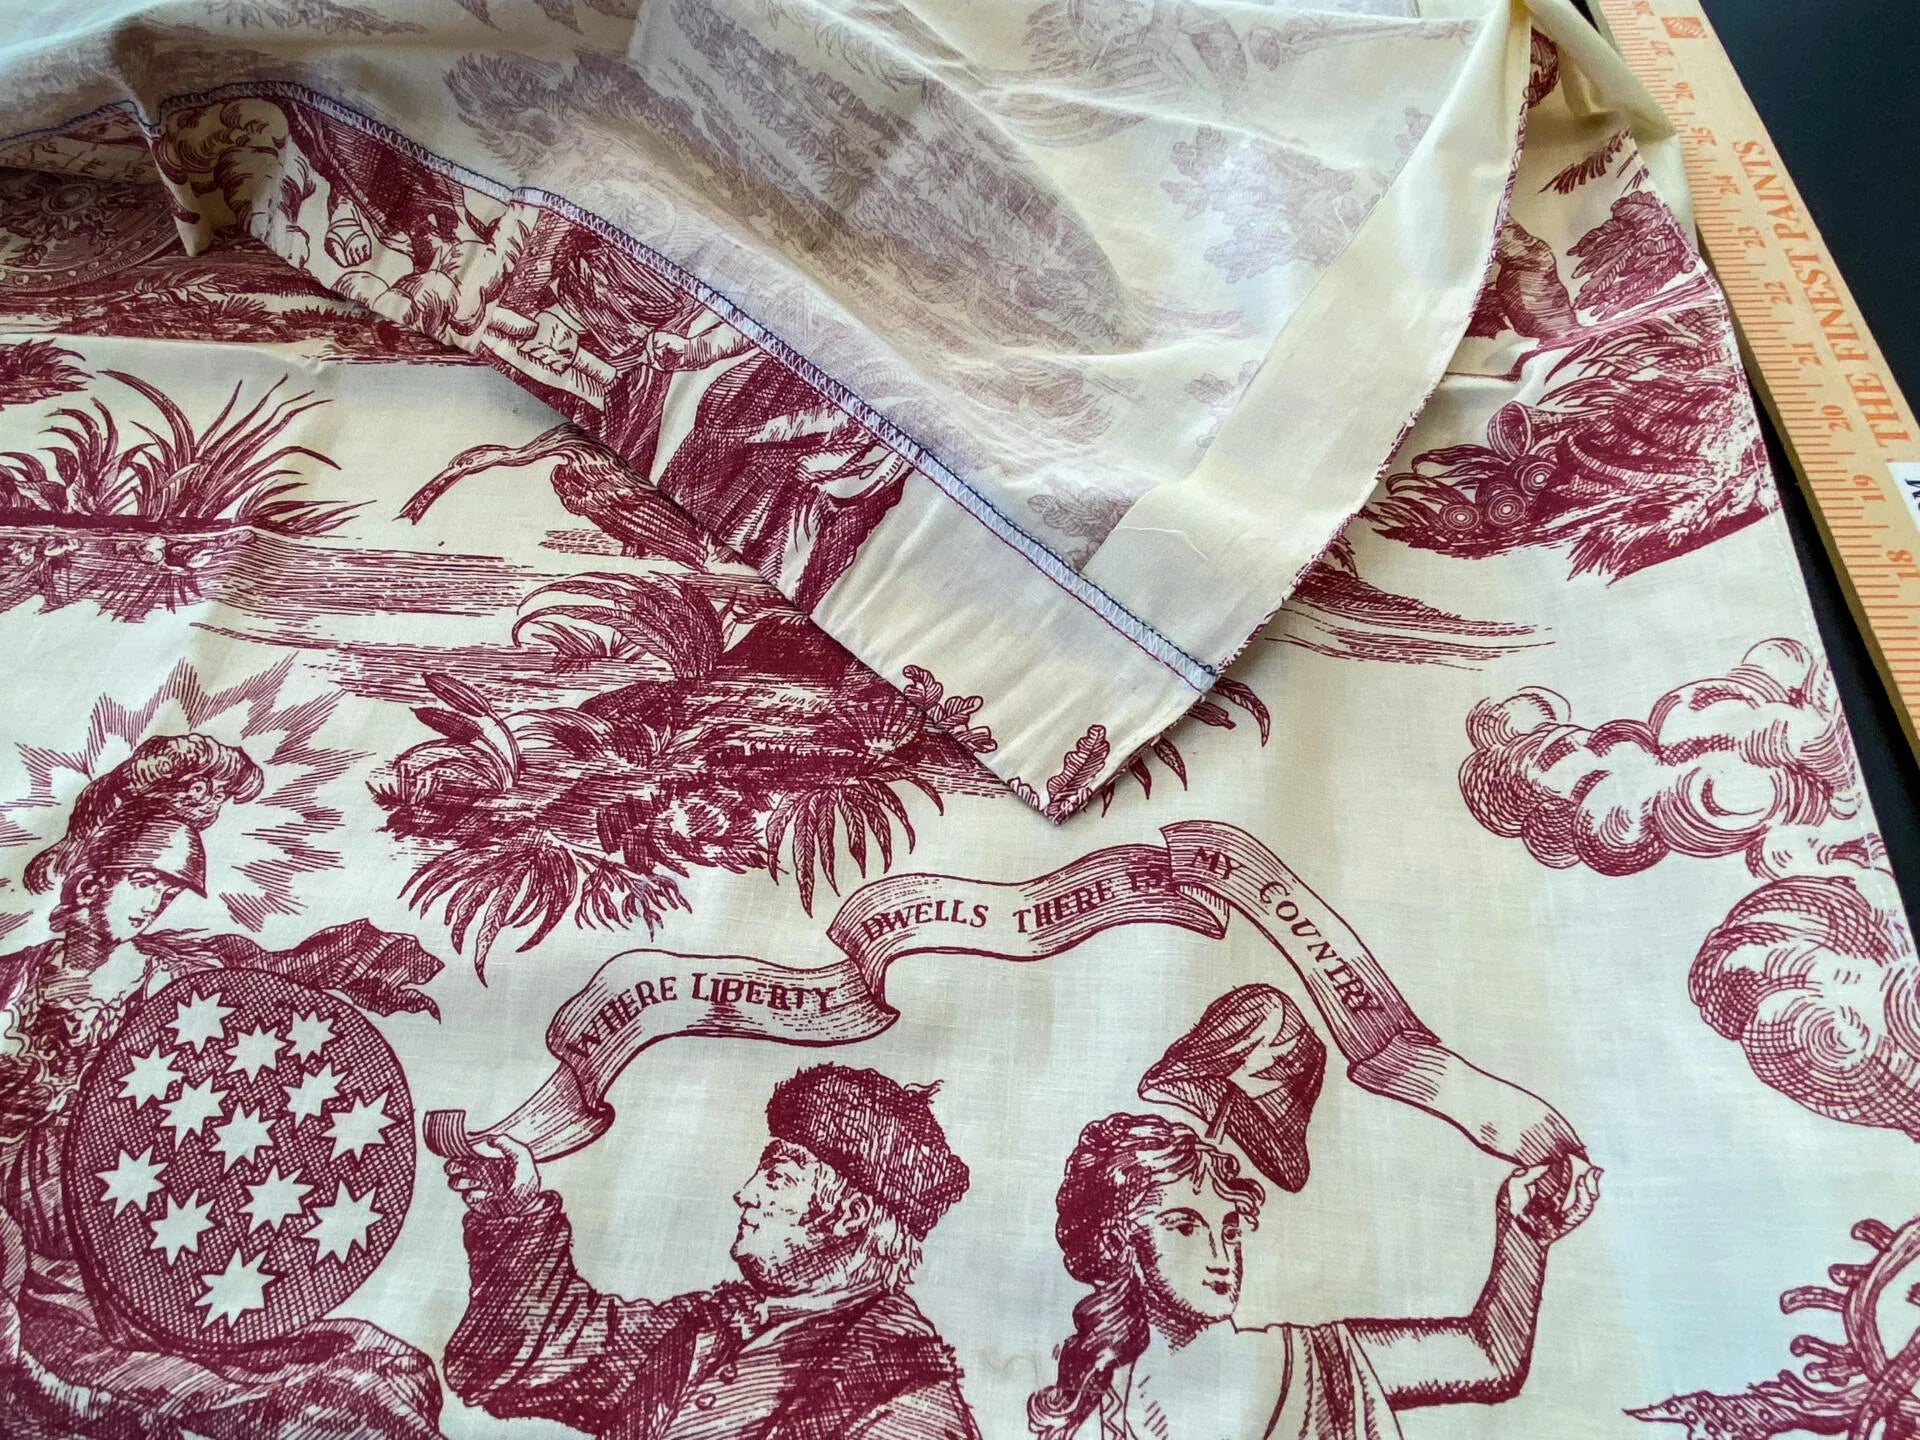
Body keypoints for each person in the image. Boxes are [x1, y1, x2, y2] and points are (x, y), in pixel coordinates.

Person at [0, 733, 443, 1439]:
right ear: (89, 884)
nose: (155, 903)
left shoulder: (176, 980)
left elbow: (273, 991)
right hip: (21, 1245)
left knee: (351, 1386)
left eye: (167, 889)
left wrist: (362, 972)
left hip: (122, 1245)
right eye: (144, 881)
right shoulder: (12, 979)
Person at [443, 1061, 981, 1439]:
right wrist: (515, 1212)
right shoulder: (707, 1327)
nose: (745, 1193)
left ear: (850, 1215)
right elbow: (533, 1356)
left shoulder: (906, 1402)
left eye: (777, 1177)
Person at [1027, 1112, 1599, 1440]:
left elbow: (1487, 1358)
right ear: (1120, 1243)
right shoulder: (1101, 1402)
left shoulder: (1317, 1364)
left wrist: (1525, 1232)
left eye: (1230, 1229)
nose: (1221, 1254)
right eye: (1185, 1227)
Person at [1138, 984, 1327, 1193]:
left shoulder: (1267, 1119)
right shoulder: (1197, 1091)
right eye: (1251, 1049)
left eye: (1284, 1057)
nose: (1272, 1060)